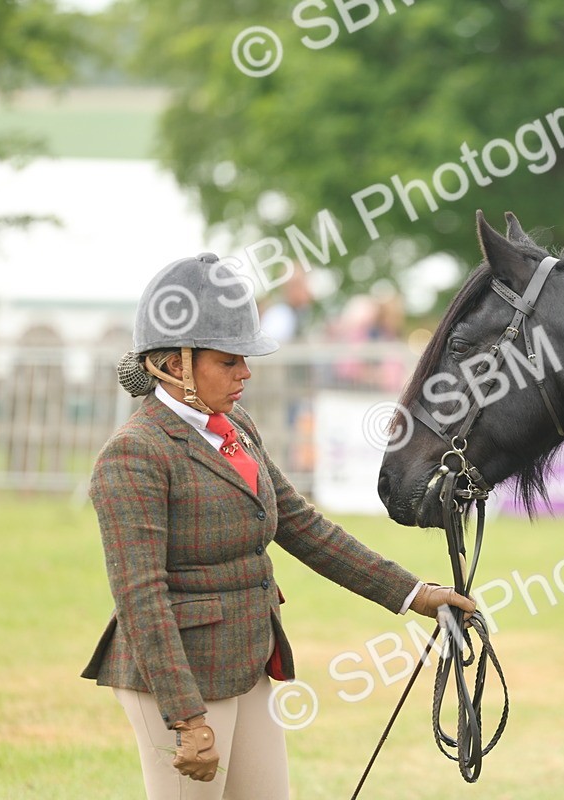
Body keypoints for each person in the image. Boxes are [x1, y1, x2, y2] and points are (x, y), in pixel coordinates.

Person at [82, 253, 474, 799]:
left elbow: (302, 526)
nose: (245, 372)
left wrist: (414, 594)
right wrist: (185, 716)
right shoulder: (133, 454)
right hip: (177, 677)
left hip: (247, 660)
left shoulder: (235, 425)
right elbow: (140, 596)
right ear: (174, 365)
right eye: (228, 361)